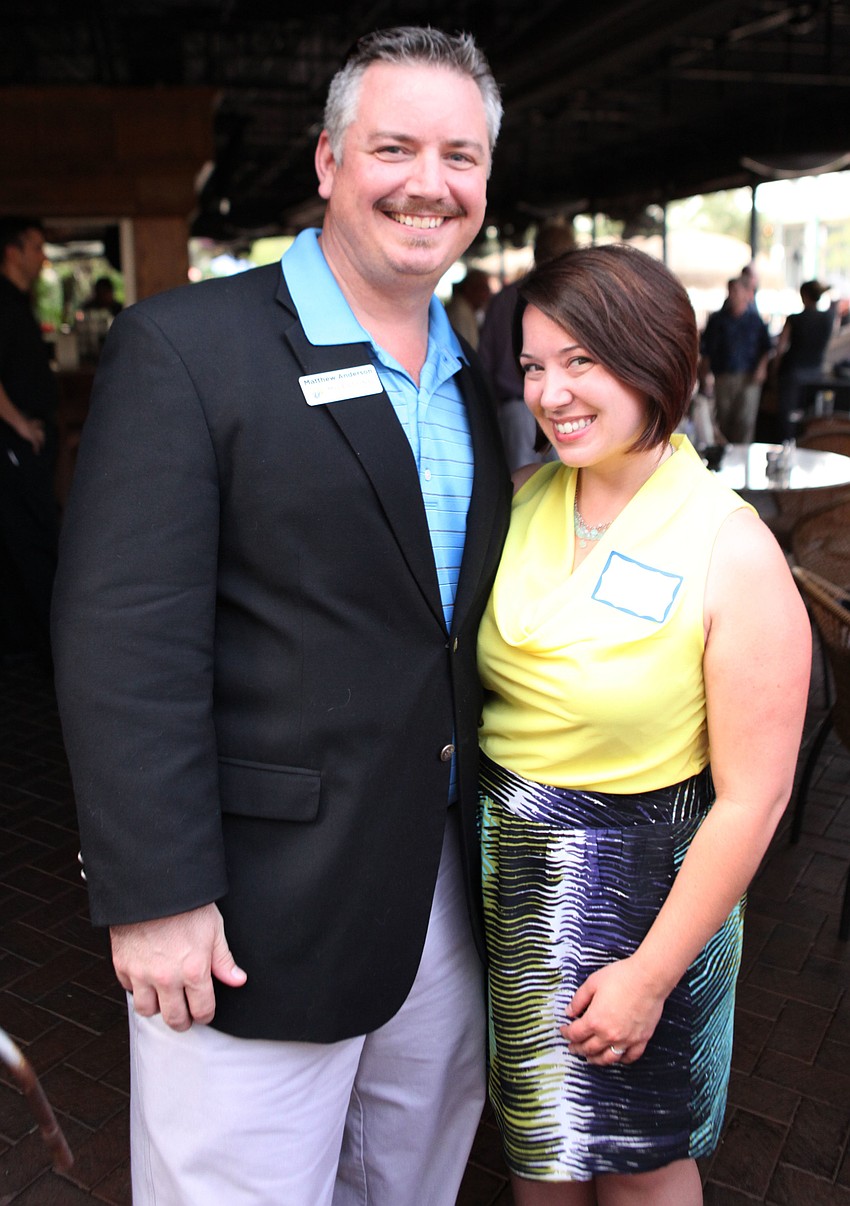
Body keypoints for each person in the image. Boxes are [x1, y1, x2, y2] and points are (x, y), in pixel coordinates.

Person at [51, 26, 510, 1206]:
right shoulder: (189, 346)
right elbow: (124, 637)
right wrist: (154, 890)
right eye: (394, 147)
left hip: (446, 895)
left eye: (460, 155)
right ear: (326, 161)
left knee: (407, 1183)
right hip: (256, 902)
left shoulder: (480, 379)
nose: (428, 183)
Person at [476, 244, 811, 1204]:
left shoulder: (729, 545)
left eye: (582, 360)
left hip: (648, 899)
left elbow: (757, 798)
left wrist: (653, 974)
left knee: (642, 1170)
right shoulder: (529, 499)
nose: (551, 392)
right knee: (539, 1158)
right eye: (535, 365)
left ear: (653, 358)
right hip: (516, 889)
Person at [0, 215, 59, 666]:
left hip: (27, 438)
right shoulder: (2, 302)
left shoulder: (18, 302)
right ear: (12, 251)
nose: (42, 257)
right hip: (13, 443)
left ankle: (31, 643)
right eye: (36, 247)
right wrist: (21, 424)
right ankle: (45, 647)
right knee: (33, 539)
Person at [478, 219, 576, 470]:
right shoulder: (574, 299)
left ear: (535, 252)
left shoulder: (503, 299)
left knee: (522, 489)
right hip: (565, 405)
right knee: (571, 483)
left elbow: (484, 364)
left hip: (515, 410)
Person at [699, 275, 773, 443]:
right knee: (724, 419)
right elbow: (707, 349)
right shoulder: (717, 320)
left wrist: (762, 368)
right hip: (723, 375)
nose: (733, 295)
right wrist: (704, 373)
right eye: (731, 291)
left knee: (745, 420)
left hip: (748, 376)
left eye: (737, 291)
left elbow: (766, 347)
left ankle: (743, 458)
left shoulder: (755, 320)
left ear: (747, 293)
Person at [774, 279, 836, 437]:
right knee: (811, 418)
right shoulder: (828, 318)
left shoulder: (795, 319)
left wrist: (774, 370)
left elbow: (780, 347)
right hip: (816, 373)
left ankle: (787, 450)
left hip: (793, 373)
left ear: (804, 296)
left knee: (787, 420)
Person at [445, 266, 492, 348]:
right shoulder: (460, 312)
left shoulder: (464, 309)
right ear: (469, 289)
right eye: (483, 289)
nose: (486, 295)